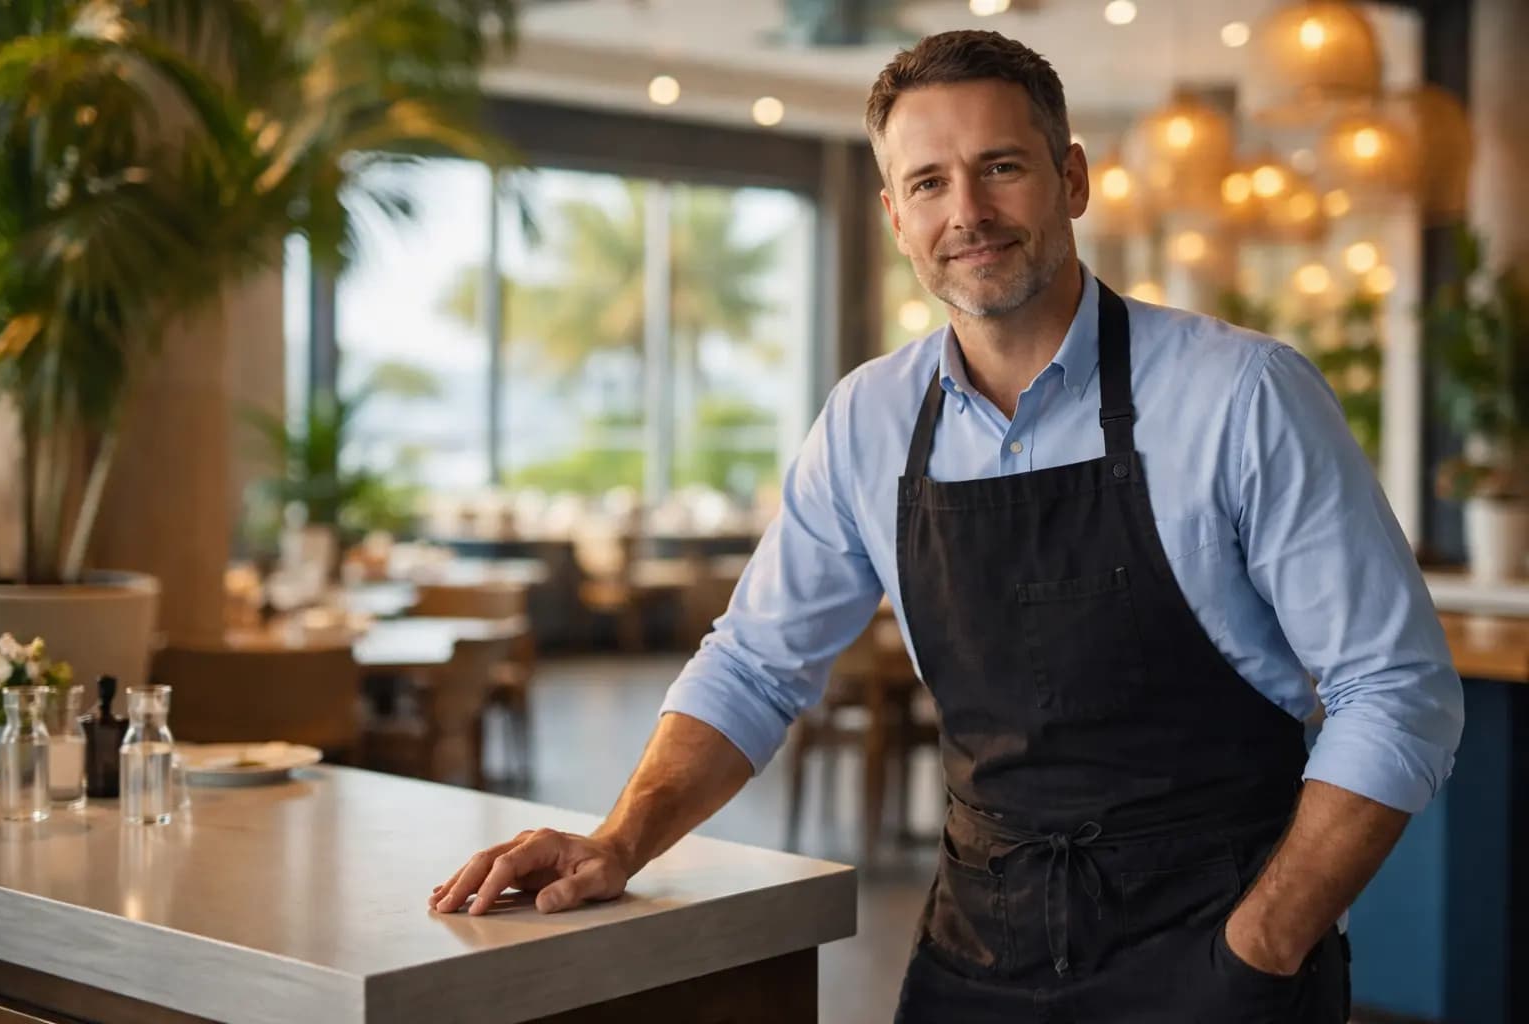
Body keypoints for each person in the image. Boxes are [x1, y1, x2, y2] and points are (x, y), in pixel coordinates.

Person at [430, 30, 1464, 1023]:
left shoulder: (1242, 393)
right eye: (928, 182)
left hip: (1214, 956)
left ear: (1071, 179)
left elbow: (1397, 690)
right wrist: (618, 841)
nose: (967, 212)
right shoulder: (867, 420)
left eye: (1000, 167)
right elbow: (754, 666)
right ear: (894, 215)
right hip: (980, 953)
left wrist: (1262, 944)